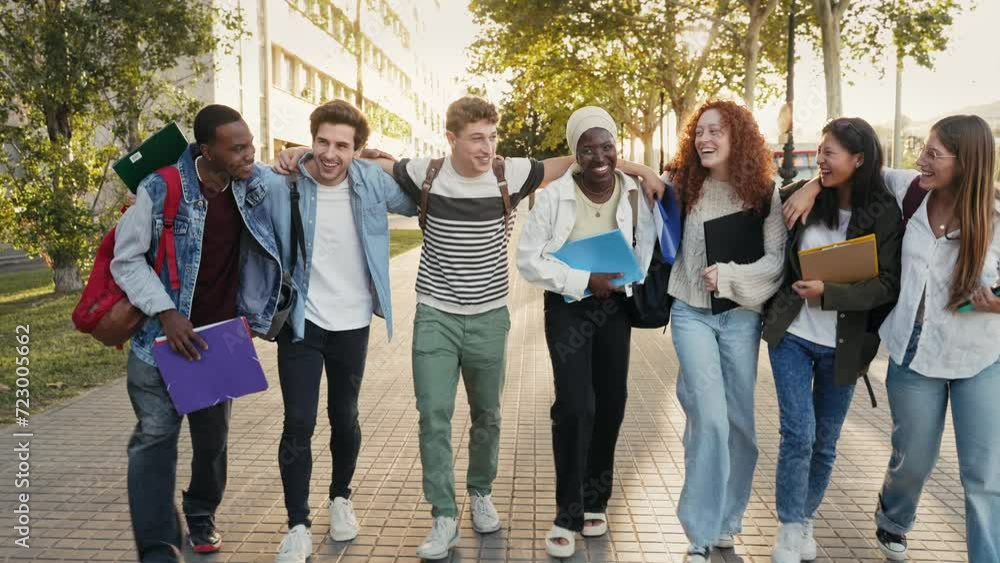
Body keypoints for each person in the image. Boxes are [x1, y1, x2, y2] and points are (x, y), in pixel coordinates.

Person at [278, 94, 663, 560]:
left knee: (489, 416)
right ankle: (443, 515)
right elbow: (363, 159)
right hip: (435, 316)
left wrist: (639, 170)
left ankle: (480, 492)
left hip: (489, 317)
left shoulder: (510, 173)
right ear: (451, 139)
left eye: (492, 137)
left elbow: (578, 157)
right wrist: (301, 152)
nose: (487, 148)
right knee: (434, 416)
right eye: (477, 138)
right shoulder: (427, 172)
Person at [783, 114, 1000, 562]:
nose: (922, 158)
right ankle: (894, 519)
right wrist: (810, 185)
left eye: (934, 154)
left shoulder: (995, 218)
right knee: (914, 460)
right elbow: (852, 166)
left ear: (967, 164)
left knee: (983, 476)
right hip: (912, 352)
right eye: (925, 148)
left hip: (978, 357)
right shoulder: (910, 190)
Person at [111, 104, 284, 562]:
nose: (250, 154)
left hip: (219, 340)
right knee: (153, 442)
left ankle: (202, 512)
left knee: (212, 445)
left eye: (251, 144)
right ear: (207, 150)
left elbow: (299, 175)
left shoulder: (252, 187)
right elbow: (125, 259)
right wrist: (166, 312)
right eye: (238, 148)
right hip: (160, 344)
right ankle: (157, 547)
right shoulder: (161, 186)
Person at [266, 100, 418, 563]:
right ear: (311, 141)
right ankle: (297, 524)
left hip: (352, 321)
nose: (331, 154)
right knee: (298, 422)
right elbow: (232, 179)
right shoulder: (284, 179)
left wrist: (383, 160)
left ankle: (340, 498)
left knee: (344, 415)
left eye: (343, 146)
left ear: (357, 148)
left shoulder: (371, 180)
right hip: (301, 322)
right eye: (322, 143)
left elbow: (416, 200)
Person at [516, 106, 662, 558]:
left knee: (612, 403)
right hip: (569, 308)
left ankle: (596, 501)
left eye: (607, 146)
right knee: (576, 406)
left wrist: (623, 280)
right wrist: (584, 281)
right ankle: (567, 511)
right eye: (587, 147)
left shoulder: (636, 193)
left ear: (617, 148)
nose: (598, 155)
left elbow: (646, 244)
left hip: (615, 308)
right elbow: (528, 259)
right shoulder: (556, 195)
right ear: (574, 152)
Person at [761, 118, 902, 562]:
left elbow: (887, 285)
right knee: (798, 434)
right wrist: (810, 187)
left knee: (825, 441)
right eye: (819, 150)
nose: (821, 159)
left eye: (831, 153)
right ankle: (787, 526)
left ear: (859, 160)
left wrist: (831, 292)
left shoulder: (884, 212)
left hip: (844, 345)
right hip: (794, 335)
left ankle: (805, 518)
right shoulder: (800, 198)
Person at [664, 99, 786, 563]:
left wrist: (732, 278)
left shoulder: (764, 193)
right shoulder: (682, 184)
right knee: (709, 419)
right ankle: (698, 530)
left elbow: (775, 262)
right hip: (690, 312)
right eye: (700, 132)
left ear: (739, 138)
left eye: (717, 131)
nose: (705, 140)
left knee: (739, 428)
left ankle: (726, 521)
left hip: (740, 316)